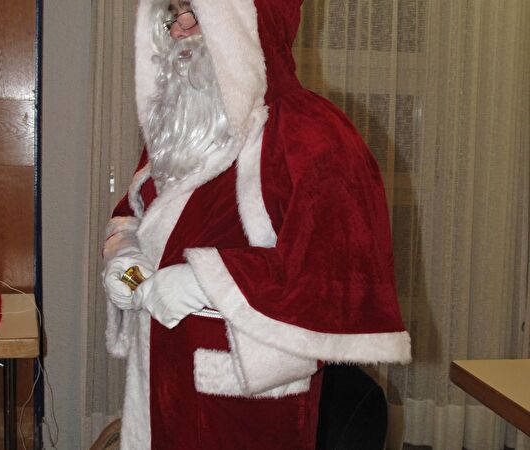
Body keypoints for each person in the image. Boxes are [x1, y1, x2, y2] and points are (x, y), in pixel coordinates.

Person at [102, 0, 411, 449]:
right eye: (170, 16)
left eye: (194, 13)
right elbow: (135, 212)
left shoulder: (312, 134)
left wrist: (205, 283)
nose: (177, 32)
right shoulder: (180, 131)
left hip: (243, 406)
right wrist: (125, 254)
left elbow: (341, 273)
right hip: (159, 386)